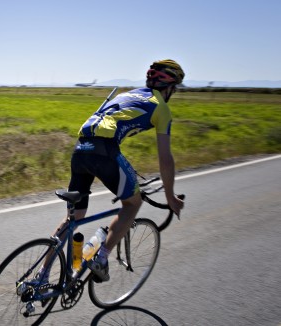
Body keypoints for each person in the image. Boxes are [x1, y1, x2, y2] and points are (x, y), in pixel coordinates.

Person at [39, 59, 185, 283]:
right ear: (170, 87)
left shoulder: (127, 94)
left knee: (74, 217)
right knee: (133, 203)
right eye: (174, 89)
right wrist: (170, 197)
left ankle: (41, 275)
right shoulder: (161, 108)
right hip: (104, 151)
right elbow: (165, 159)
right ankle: (101, 258)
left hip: (80, 148)